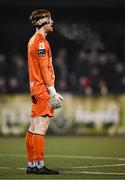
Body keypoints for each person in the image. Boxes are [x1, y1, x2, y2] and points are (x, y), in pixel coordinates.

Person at [25, 9, 63, 175]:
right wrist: (52, 91)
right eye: (49, 19)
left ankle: (31, 165)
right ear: (40, 22)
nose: (52, 22)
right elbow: (43, 68)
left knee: (33, 127)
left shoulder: (32, 40)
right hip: (42, 90)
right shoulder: (41, 42)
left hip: (35, 88)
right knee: (41, 127)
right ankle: (39, 166)